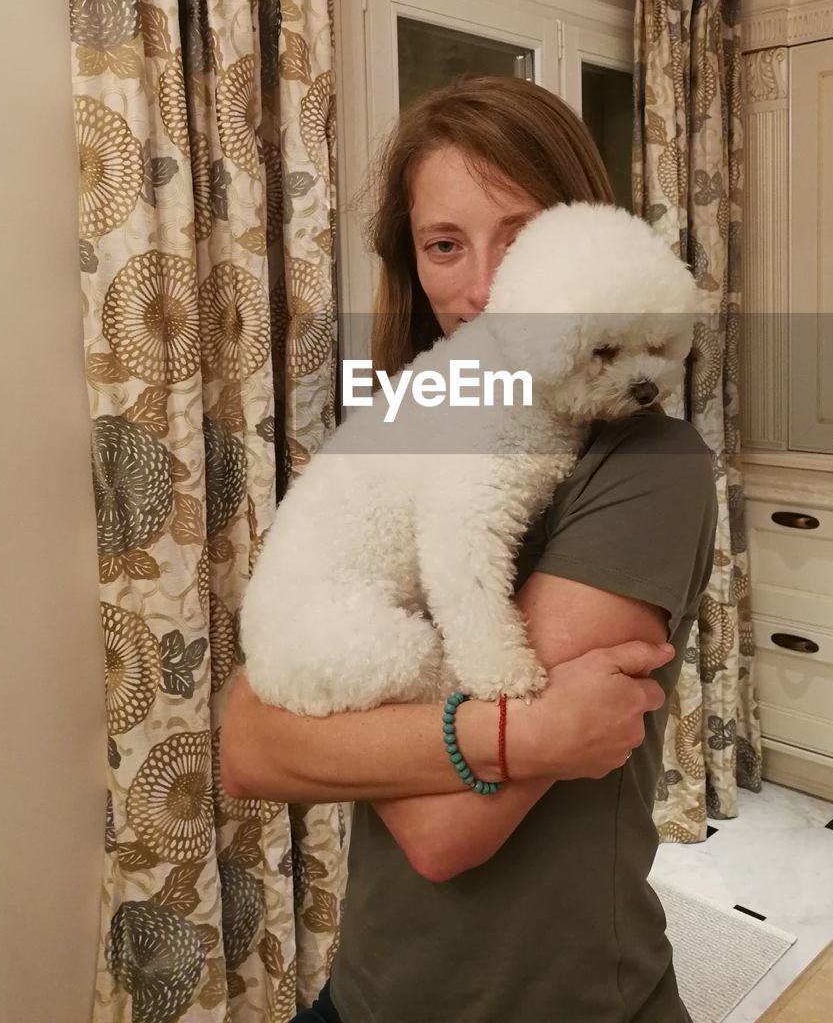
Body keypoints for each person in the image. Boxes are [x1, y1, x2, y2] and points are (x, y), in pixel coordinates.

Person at [220, 75, 718, 1022]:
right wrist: (518, 732)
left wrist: (332, 743)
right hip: (367, 992)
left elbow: (448, 831)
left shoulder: (651, 463)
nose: (487, 289)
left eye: (520, 234)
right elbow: (243, 743)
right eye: (444, 245)